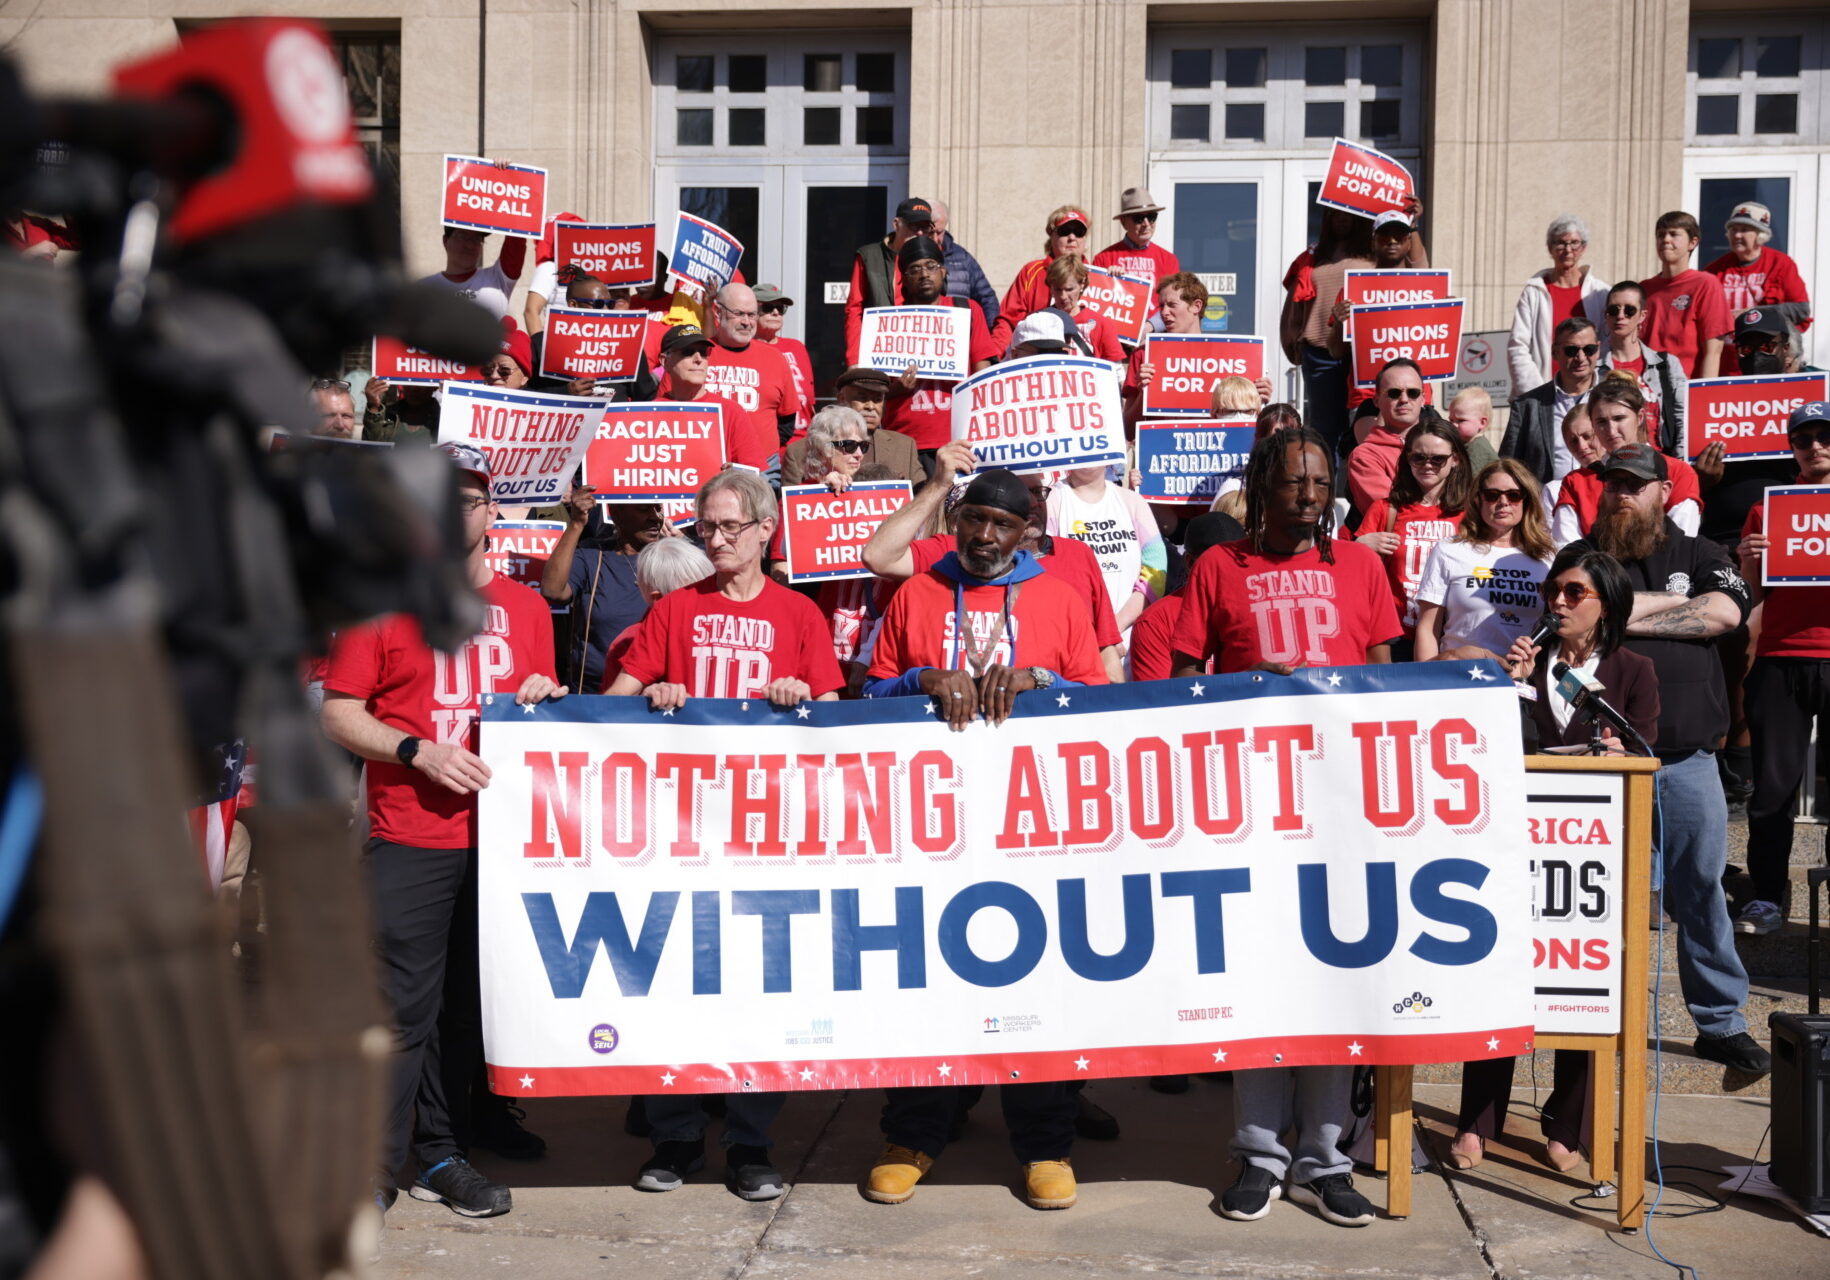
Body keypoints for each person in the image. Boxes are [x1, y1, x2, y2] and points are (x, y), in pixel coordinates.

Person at [320, 442, 566, 1222]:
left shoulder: (526, 607)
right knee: (400, 1012)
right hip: (413, 835)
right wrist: (412, 748)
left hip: (502, 846)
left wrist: (544, 693)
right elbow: (338, 710)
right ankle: (376, 1164)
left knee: (469, 1011)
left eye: (470, 498)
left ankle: (439, 1153)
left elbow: (545, 706)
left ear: (493, 512)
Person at [861, 467, 1106, 1212]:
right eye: (976, 522)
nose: (987, 538)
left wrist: (1038, 677)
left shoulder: (1060, 598)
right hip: (930, 829)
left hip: (1035, 827)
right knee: (927, 983)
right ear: (958, 519)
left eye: (1003, 527)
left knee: (1040, 986)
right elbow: (868, 691)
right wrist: (921, 679)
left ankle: (1045, 1144)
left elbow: (1100, 700)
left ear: (1026, 532)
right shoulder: (917, 591)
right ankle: (914, 1135)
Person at [1169, 428, 1395, 1228]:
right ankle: (1260, 1154)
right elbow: (1185, 683)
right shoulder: (1217, 568)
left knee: (1334, 979)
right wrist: (1249, 689)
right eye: (1295, 480)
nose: (1310, 493)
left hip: (1341, 808)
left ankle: (1325, 1161)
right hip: (1252, 809)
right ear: (1263, 485)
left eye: (1321, 481)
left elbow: (1387, 680)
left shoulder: (1362, 565)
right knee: (1263, 987)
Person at [606, 470, 842, 1199]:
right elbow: (609, 708)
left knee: (756, 993)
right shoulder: (675, 611)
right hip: (678, 832)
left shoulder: (801, 615)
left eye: (728, 527)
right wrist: (646, 696)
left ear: (767, 527)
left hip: (764, 834)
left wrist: (804, 701)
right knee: (674, 985)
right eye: (705, 527)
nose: (713, 539)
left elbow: (833, 720)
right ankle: (674, 1137)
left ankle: (750, 1142)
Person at [1452, 545, 1660, 1172]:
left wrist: (1621, 753)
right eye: (1555, 592)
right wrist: (1508, 683)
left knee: (1583, 988)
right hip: (1521, 849)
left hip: (1593, 858)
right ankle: (1476, 1121)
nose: (1559, 603)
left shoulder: (1633, 671)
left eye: (1575, 593)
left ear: (1607, 604)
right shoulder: (1524, 662)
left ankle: (1566, 1125)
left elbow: (1649, 754)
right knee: (1504, 980)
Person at [1569, 442, 1768, 1076]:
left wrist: (1619, 613)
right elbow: (1574, 617)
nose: (1623, 493)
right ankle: (1604, 1013)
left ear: (1663, 491)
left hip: (1686, 760)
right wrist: (1649, 613)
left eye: (1636, 484)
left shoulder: (1700, 552)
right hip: (1603, 758)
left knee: (1702, 891)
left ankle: (1719, 1021)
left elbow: (1722, 614)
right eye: (1614, 484)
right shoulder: (1583, 559)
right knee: (1610, 900)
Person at [863, 442, 1127, 683]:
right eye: (1023, 493)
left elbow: (1103, 656)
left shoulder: (1074, 563)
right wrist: (939, 484)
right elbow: (878, 556)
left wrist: (1038, 680)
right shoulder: (953, 553)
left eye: (1039, 492)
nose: (1033, 502)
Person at [1734, 402, 1830, 934]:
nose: (1814, 445)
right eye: (1803, 438)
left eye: (1824, 435)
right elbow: (1754, 593)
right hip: (1781, 656)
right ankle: (1767, 896)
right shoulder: (1770, 506)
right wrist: (1749, 559)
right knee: (1772, 791)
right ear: (1791, 446)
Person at [1412, 460, 1555, 663]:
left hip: (1524, 680)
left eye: (1514, 496)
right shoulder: (1450, 550)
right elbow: (1427, 628)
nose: (1503, 502)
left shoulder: (1547, 557)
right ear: (1478, 499)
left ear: (1527, 500)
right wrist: (1427, 680)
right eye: (1492, 495)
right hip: (1461, 676)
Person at [876, 236, 999, 469]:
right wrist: (897, 389)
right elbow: (873, 392)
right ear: (904, 279)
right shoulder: (889, 322)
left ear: (943, 271)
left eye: (931, 266)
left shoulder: (968, 310)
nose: (924, 274)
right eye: (915, 269)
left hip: (958, 441)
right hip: (903, 443)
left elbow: (983, 375)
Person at [1353, 421, 1471, 658]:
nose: (1428, 465)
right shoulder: (1385, 510)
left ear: (1455, 459)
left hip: (1453, 634)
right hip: (1396, 635)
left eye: (1438, 459)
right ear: (1408, 459)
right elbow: (1353, 575)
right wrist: (1359, 548)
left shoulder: (1470, 513)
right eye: (1419, 458)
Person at [539, 489, 668, 694]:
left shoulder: (675, 557)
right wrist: (576, 523)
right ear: (615, 512)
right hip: (593, 697)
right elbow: (552, 590)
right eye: (644, 509)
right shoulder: (592, 555)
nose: (655, 516)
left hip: (658, 696)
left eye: (658, 508)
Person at [1550, 374, 1701, 544]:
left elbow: (1681, 544)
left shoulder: (1677, 471)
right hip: (1595, 569)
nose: (1611, 430)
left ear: (1640, 417)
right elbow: (1567, 549)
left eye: (1619, 418)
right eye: (1601, 422)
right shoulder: (1577, 482)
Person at [1327, 209, 1435, 443]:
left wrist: (1446, 313)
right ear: (1373, 242)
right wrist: (1338, 324)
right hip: (1367, 400)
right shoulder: (1353, 290)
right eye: (1385, 236)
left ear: (1409, 242)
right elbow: (1336, 351)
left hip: (1417, 399)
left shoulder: (1426, 291)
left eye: (1400, 236)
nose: (1393, 241)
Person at [680, 282, 803, 472]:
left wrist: (759, 452)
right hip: (700, 466)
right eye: (738, 313)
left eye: (752, 314)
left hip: (762, 468)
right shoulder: (694, 356)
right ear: (717, 312)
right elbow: (670, 411)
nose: (747, 321)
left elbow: (786, 420)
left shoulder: (775, 358)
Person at [1046, 460, 1167, 637]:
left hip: (1128, 643)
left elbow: (1157, 570)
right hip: (1073, 638)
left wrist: (1114, 628)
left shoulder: (1132, 501)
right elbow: (1045, 570)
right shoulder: (1052, 499)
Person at [1507, 215, 1611, 399]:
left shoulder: (1600, 293)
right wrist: (1537, 393)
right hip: (1544, 392)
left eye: (1574, 243)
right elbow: (1518, 345)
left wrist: (1596, 388)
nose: (1568, 250)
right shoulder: (1534, 292)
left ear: (1583, 248)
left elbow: (1607, 342)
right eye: (1560, 243)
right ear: (1550, 248)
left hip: (1590, 395)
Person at [1704, 201, 1812, 375]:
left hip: (1769, 362)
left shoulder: (1781, 264)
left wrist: (1752, 313)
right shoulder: (1714, 270)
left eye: (1745, 230)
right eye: (1733, 229)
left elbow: (1800, 310)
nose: (1737, 235)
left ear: (1760, 234)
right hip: (1725, 362)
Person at [1127, 511, 1236, 680]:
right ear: (1190, 562)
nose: (1230, 570)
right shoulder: (1155, 622)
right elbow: (1161, 699)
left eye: (1239, 561)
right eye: (1218, 563)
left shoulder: (1262, 603)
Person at [597, 537, 715, 690]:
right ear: (658, 599)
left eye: (709, 588)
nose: (706, 598)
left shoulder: (721, 627)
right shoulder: (629, 642)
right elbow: (615, 707)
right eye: (692, 593)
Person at [1498, 316, 1603, 487]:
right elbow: (1509, 465)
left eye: (1589, 349)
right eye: (1571, 350)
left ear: (1598, 350)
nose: (1581, 357)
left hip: (1604, 501)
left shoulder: (1613, 398)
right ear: (1555, 352)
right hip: (1546, 508)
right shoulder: (1527, 406)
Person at [654, 323, 772, 472]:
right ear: (665, 361)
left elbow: (755, 474)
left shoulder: (731, 411)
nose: (698, 359)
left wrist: (735, 472)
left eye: (703, 352)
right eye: (688, 352)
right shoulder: (649, 413)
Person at [783, 366, 924, 487]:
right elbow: (790, 509)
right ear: (842, 398)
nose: (870, 406)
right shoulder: (799, 452)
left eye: (878, 399)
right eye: (862, 398)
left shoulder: (904, 446)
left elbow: (921, 499)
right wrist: (820, 488)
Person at [1595, 280, 1687, 455]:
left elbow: (1683, 418)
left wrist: (1680, 464)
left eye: (1629, 310)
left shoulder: (1667, 365)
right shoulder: (1595, 368)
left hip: (1660, 462)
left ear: (1642, 316)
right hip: (1614, 465)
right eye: (1613, 310)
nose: (1620, 316)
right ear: (1606, 315)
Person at [1640, 211, 1733, 380]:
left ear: (1692, 242)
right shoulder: (1643, 289)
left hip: (1685, 390)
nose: (1666, 240)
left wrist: (1704, 395)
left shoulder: (1705, 284)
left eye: (1674, 234)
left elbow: (1714, 350)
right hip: (1646, 389)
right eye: (1661, 235)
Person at [843, 195, 938, 360]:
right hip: (879, 352)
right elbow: (854, 308)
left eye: (925, 227)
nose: (920, 233)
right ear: (896, 224)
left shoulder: (933, 258)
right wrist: (854, 357)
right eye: (914, 226)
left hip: (920, 350)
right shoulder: (869, 256)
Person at [990, 205, 1093, 351]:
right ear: (1052, 236)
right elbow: (1007, 320)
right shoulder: (1031, 272)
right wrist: (995, 356)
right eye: (1064, 232)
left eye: (1079, 232)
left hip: (1084, 365)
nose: (1072, 238)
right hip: (1037, 360)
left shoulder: (1099, 277)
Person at [1123, 271, 1208, 427]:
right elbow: (1128, 429)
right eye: (1161, 306)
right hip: (1158, 448)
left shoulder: (1224, 355)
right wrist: (1144, 394)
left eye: (1172, 305)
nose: (1163, 313)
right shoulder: (1143, 354)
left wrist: (1256, 398)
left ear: (1196, 306)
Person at [1345, 357, 1428, 513]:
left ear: (1423, 399)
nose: (1404, 399)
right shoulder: (1364, 456)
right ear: (1377, 401)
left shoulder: (1443, 447)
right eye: (1394, 393)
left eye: (1413, 393)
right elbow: (1388, 512)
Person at [1093, 187, 1181, 328]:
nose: (1146, 224)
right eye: (1138, 218)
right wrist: (1108, 282)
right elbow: (1095, 307)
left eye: (1151, 217)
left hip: (1155, 337)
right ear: (1123, 222)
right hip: (1116, 339)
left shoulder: (1169, 260)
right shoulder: (1103, 259)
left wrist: (1152, 326)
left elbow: (1174, 303)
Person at [421, 222, 528, 321]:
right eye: (462, 236)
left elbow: (517, 229)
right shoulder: (423, 289)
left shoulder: (498, 278)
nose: (470, 245)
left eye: (477, 239)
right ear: (445, 241)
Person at [754, 284, 816, 435]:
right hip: (772, 441)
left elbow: (809, 396)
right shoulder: (747, 348)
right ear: (751, 312)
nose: (776, 312)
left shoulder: (796, 346)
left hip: (804, 440)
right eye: (768, 307)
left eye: (780, 308)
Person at [931, 200, 1000, 330]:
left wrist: (989, 335)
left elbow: (987, 298)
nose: (935, 239)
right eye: (930, 232)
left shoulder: (962, 257)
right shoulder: (907, 256)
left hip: (959, 335)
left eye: (940, 232)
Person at [1046, 255, 1126, 363]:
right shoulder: (1038, 321)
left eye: (1069, 289)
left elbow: (1116, 372)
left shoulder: (1102, 324)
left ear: (1082, 284)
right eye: (1057, 289)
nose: (1063, 296)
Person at [1445, 387, 1501, 476]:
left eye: (1461, 420)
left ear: (1482, 422)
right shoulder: (1467, 444)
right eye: (1451, 420)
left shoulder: (1477, 448)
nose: (1454, 424)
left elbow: (1468, 480)